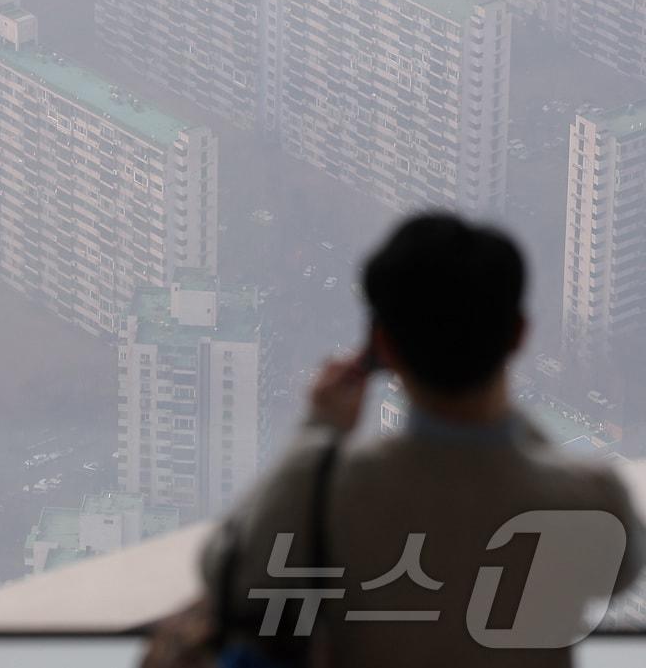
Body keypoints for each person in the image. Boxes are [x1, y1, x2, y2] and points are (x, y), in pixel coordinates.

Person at [200, 213, 645, 667]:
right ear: (518, 335)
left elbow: (222, 570)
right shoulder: (590, 501)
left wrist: (319, 429)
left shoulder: (324, 491)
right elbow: (624, 571)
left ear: (385, 348)